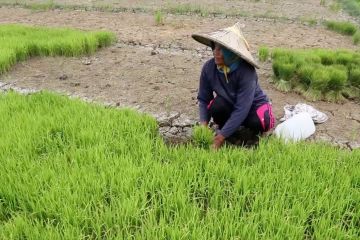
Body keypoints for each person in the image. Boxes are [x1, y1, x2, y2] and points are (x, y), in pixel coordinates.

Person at [192, 22, 275, 150]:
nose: (215, 52)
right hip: (230, 104)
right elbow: (204, 99)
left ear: (232, 52)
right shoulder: (209, 68)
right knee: (217, 106)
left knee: (261, 121)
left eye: (221, 49)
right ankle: (229, 131)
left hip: (252, 107)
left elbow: (242, 108)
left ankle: (250, 135)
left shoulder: (247, 72)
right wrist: (203, 125)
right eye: (214, 47)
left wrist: (219, 138)